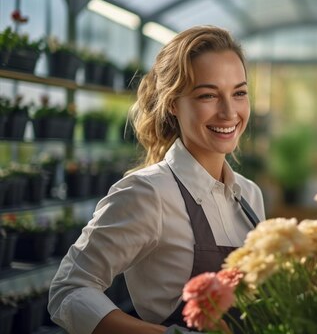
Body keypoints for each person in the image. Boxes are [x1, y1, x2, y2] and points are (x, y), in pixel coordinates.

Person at [48, 25, 265, 334]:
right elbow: (69, 290)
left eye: (239, 93)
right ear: (174, 104)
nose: (229, 112)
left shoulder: (249, 195)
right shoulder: (147, 193)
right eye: (208, 95)